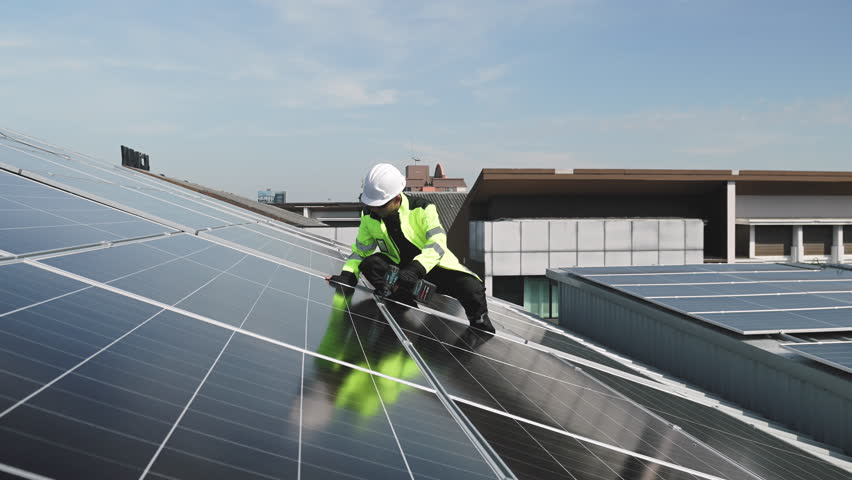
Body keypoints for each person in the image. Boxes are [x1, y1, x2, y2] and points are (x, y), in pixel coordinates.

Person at [326, 163, 495, 333]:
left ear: (397, 198)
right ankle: (400, 298)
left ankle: (480, 325)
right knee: (371, 264)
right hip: (399, 272)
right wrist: (348, 275)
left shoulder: (423, 209)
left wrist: (416, 269)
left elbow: (437, 242)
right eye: (372, 205)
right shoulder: (369, 215)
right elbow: (361, 250)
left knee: (471, 287)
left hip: (432, 266)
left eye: (381, 205)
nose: (375, 210)